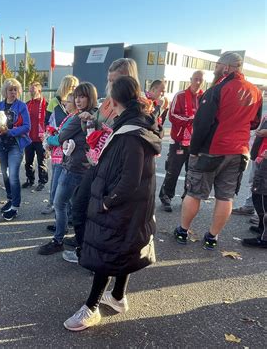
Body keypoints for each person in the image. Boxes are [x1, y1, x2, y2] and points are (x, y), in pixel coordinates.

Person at [64, 76, 162, 331]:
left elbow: (130, 179)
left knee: (106, 252)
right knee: (121, 249)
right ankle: (117, 296)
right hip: (130, 206)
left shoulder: (131, 133)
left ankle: (91, 307)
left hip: (120, 204)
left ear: (113, 99)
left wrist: (108, 202)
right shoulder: (134, 122)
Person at [173, 52, 263, 250]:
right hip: (238, 151)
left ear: (226, 67)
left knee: (194, 193)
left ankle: (182, 231)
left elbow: (202, 123)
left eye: (217, 64)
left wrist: (194, 150)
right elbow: (254, 123)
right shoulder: (256, 92)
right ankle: (212, 237)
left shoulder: (217, 89)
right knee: (225, 196)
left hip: (211, 150)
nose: (215, 68)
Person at [63, 58, 141, 263]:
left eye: (117, 80)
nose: (112, 85)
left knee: (100, 215)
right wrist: (88, 121)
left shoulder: (139, 107)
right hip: (97, 164)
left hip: (113, 171)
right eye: (110, 80)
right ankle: (85, 249)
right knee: (80, 206)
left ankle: (94, 257)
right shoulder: (108, 102)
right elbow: (94, 132)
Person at [38, 82, 98, 255]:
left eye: (81, 96)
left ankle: (59, 240)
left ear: (90, 97)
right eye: (75, 97)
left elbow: (62, 135)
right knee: (75, 206)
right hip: (82, 166)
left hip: (74, 167)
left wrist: (52, 139)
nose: (77, 101)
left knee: (60, 203)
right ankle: (76, 239)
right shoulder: (92, 115)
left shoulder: (81, 117)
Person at [159, 71, 204, 212]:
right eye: (195, 79)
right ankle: (166, 196)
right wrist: (191, 119)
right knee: (173, 170)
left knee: (192, 172)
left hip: (196, 142)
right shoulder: (180, 95)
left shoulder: (205, 97)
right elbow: (172, 116)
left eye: (200, 80)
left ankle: (187, 197)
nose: (197, 82)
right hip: (179, 140)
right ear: (190, 79)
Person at [0, 78, 31, 221]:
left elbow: (27, 126)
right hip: (1, 145)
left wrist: (10, 131)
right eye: (10, 90)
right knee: (5, 174)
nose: (13, 92)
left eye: (15, 90)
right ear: (5, 91)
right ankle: (10, 198)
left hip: (15, 144)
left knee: (13, 175)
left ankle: (15, 206)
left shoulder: (21, 106)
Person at [41, 75, 79, 215]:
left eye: (76, 86)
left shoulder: (78, 105)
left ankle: (64, 212)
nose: (74, 89)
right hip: (57, 146)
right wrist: (49, 138)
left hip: (69, 148)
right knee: (56, 178)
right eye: (72, 86)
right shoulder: (54, 102)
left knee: (65, 181)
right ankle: (53, 204)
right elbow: (47, 122)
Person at [242, 117, 267, 249]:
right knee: (258, 194)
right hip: (261, 155)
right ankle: (262, 228)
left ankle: (264, 237)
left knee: (263, 197)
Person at [23, 81, 48, 191]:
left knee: (41, 161)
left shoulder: (45, 104)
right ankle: (30, 179)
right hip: (29, 138)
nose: (31, 90)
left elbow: (48, 121)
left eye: (33, 88)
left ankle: (42, 181)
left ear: (39, 90)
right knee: (28, 161)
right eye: (30, 88)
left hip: (40, 138)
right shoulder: (27, 104)